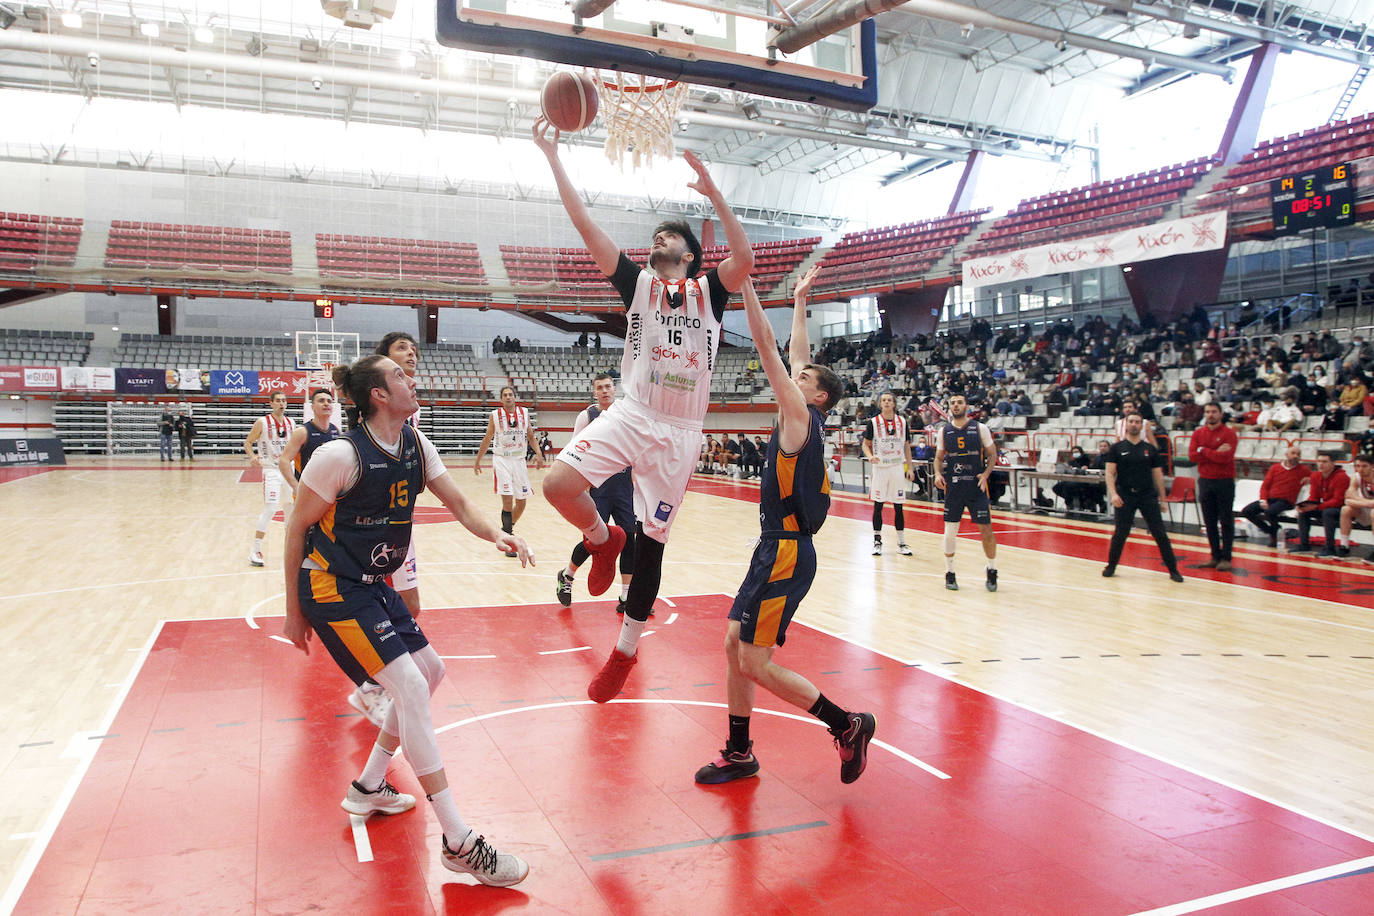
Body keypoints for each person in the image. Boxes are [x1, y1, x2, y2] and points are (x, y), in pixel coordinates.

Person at [282, 355, 531, 887]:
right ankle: (459, 841)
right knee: (412, 686)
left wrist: (498, 534)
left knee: (431, 673)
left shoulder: (417, 444)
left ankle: (370, 786)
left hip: (375, 583)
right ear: (377, 395)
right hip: (332, 585)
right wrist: (292, 609)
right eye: (399, 376)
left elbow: (460, 501)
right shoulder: (338, 456)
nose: (411, 381)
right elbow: (295, 530)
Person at [533, 116, 754, 703]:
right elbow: (584, 226)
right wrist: (554, 158)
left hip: (681, 431)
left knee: (653, 544)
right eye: (654, 236)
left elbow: (746, 258)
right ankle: (599, 538)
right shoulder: (638, 286)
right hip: (634, 411)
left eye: (668, 236)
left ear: (691, 254)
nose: (657, 241)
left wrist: (716, 196)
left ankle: (625, 651)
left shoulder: (712, 291)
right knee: (557, 483)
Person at [695, 273, 875, 786]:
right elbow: (797, 357)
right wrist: (798, 301)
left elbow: (771, 350)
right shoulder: (803, 411)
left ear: (818, 397)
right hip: (773, 546)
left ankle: (847, 724)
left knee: (753, 660)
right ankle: (739, 751)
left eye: (804, 380)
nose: (795, 378)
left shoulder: (799, 419)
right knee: (734, 645)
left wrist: (744, 282)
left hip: (788, 551)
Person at [556, 373, 637, 615]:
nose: (604, 391)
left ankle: (626, 595)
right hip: (598, 487)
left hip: (624, 486)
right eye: (599, 387)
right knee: (594, 541)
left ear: (615, 389)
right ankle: (567, 576)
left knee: (629, 540)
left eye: (608, 386)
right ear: (594, 392)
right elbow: (575, 451)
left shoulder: (627, 414)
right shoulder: (587, 416)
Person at [1103, 412, 1184, 582]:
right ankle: (1111, 566)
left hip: (1147, 496)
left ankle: (1173, 570)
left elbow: (1158, 476)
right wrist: (1114, 494)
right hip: (1125, 496)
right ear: (1126, 424)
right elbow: (1110, 474)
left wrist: (1163, 500)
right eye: (1131, 421)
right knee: (1120, 533)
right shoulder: (1116, 448)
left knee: (1160, 533)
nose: (1134, 424)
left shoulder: (1150, 449)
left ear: (1142, 426)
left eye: (1137, 422)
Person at [933, 393, 999, 592]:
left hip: (975, 487)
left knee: (986, 530)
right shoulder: (944, 431)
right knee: (950, 533)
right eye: (952, 403)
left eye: (959, 402)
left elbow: (992, 454)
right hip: (953, 487)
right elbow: (938, 458)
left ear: (966, 406)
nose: (956, 405)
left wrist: (986, 474)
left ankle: (992, 569)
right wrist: (937, 474)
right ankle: (950, 573)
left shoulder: (980, 428)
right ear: (950, 407)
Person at [473, 386, 545, 558]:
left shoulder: (524, 413)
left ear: (515, 397)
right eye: (504, 395)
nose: (508, 397)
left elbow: (531, 436)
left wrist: (539, 453)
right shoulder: (495, 416)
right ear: (501, 399)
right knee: (507, 501)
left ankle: (506, 530)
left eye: (510, 394)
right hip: (502, 460)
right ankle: (509, 540)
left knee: (521, 502)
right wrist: (478, 460)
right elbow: (487, 438)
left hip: (519, 461)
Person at [243, 391, 296, 568]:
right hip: (271, 470)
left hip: (289, 470)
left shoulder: (291, 423)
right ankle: (255, 550)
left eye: (284, 400)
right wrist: (252, 456)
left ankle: (292, 551)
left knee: (291, 511)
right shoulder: (262, 422)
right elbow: (248, 442)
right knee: (271, 508)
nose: (282, 403)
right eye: (278, 401)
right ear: (271, 403)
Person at [862, 391, 914, 556]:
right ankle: (877, 541)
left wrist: (910, 467)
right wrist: (870, 456)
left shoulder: (903, 422)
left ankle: (902, 542)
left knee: (899, 506)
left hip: (897, 467)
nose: (886, 402)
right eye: (883, 400)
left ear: (894, 404)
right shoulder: (873, 422)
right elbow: (865, 444)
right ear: (880, 404)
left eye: (889, 400)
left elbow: (906, 446)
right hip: (880, 468)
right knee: (878, 505)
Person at [1188, 402, 1239, 571]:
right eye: (1208, 412)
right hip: (1205, 480)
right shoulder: (1198, 433)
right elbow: (1192, 456)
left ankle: (1226, 557)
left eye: (1214, 412)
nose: (1211, 415)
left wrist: (1204, 451)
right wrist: (1214, 452)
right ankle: (1214, 556)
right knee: (1209, 522)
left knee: (1225, 520)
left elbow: (1225, 458)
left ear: (1221, 414)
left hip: (1224, 481)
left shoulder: (1229, 433)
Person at [1238, 446, 1306, 548]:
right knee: (1247, 511)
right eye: (1293, 453)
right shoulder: (1275, 468)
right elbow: (1265, 486)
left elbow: (1316, 479)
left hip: (1286, 501)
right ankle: (1273, 531)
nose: (1296, 456)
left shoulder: (1304, 470)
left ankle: (1275, 534)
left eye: (1298, 454)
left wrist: (1310, 480)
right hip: (1270, 499)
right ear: (1287, 454)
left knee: (1270, 512)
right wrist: (1263, 500)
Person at [1291, 452, 1349, 555]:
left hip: (1341, 509)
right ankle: (1304, 544)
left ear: (1333, 463)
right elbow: (1314, 497)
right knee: (1304, 512)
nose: (1321, 464)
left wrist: (1317, 506)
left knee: (1328, 513)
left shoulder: (1342, 477)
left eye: (1324, 462)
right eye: (1319, 461)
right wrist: (1305, 506)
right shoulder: (1315, 475)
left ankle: (1329, 547)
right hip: (1325, 506)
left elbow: (1338, 500)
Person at [1336, 455, 1374, 560]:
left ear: (1372, 466)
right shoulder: (1355, 477)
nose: (1360, 469)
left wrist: (1358, 501)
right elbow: (1348, 499)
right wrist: (1367, 503)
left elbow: (1353, 499)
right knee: (1346, 509)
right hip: (1367, 508)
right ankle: (1344, 545)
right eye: (1357, 466)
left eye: (1364, 466)